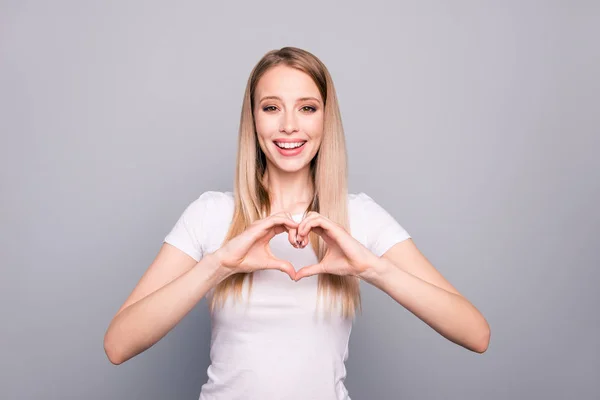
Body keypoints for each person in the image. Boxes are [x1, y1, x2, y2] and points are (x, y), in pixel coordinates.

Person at [103, 47, 490, 399]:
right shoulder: (211, 214)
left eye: (307, 108)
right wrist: (219, 265)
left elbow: (476, 334)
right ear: (253, 119)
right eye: (271, 108)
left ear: (326, 117)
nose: (289, 125)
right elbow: (118, 344)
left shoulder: (360, 217)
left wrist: (373, 269)